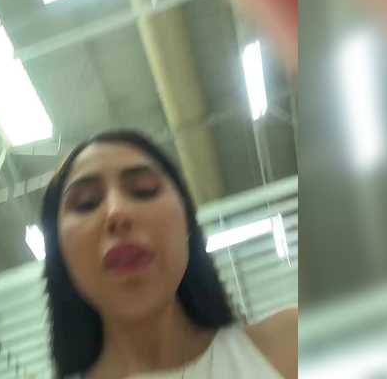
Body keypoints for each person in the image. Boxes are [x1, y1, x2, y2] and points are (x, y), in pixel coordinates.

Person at [41, 130, 297, 378]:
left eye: (144, 189)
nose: (117, 212)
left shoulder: (291, 345)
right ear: (60, 253)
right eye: (86, 203)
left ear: (186, 224)